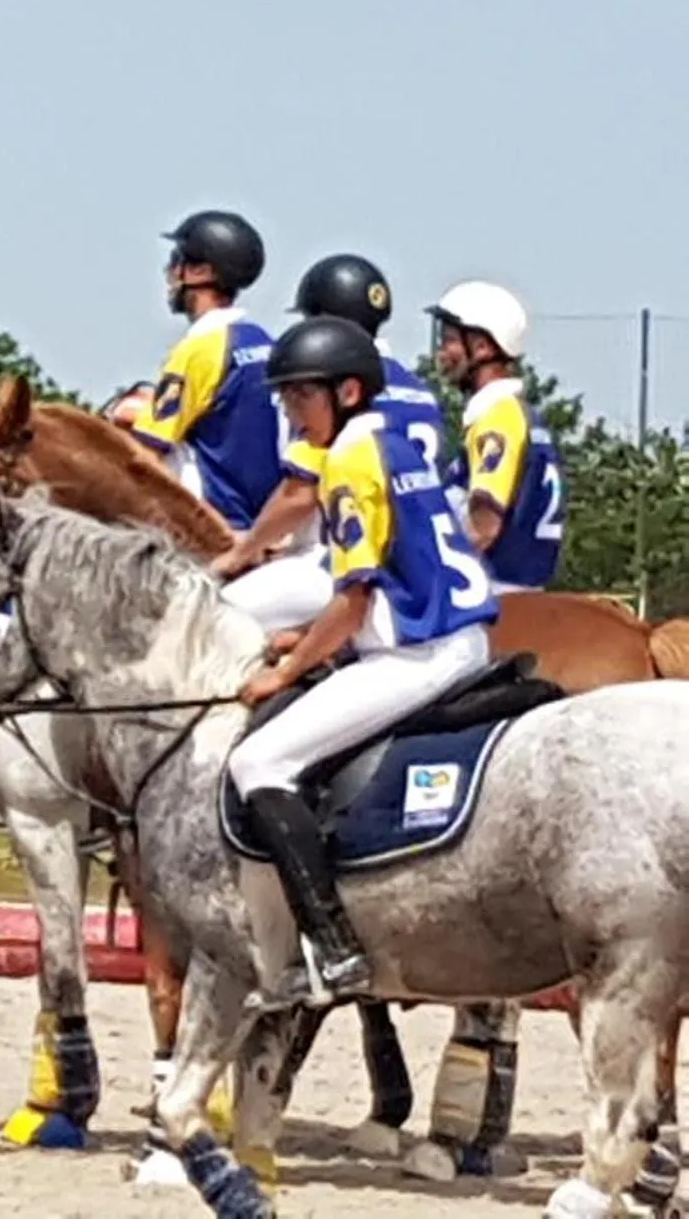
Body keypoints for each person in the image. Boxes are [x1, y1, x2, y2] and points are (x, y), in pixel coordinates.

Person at [231, 315, 498, 1005]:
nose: (290, 413)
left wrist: (282, 673)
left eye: (300, 397)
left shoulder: (348, 460)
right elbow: (380, 584)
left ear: (346, 390)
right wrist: (303, 641)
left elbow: (350, 599)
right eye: (285, 398)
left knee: (257, 762)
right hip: (456, 635)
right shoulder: (388, 442)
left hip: (422, 653)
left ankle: (332, 948)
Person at [214, 253, 451, 631]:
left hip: (336, 560)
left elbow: (300, 495)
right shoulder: (421, 392)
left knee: (209, 619)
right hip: (419, 565)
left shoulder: (332, 386)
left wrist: (242, 552)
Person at [129, 209, 284, 532]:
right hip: (269, 526)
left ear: (200, 271)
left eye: (178, 260)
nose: (171, 273)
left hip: (215, 528)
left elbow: (147, 452)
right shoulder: (268, 343)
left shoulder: (198, 348)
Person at [428, 281, 565, 592]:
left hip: (493, 588)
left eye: (449, 341)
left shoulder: (497, 418)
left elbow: (484, 526)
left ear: (481, 347)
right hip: (520, 586)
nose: (441, 353)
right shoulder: (521, 415)